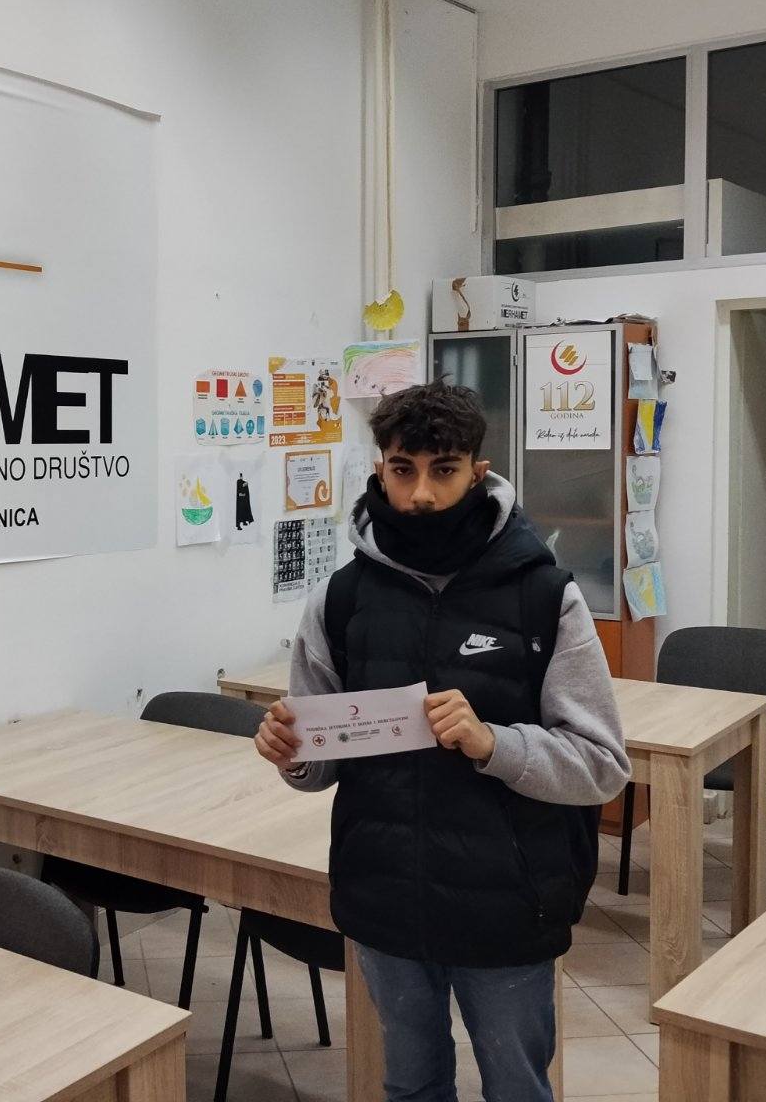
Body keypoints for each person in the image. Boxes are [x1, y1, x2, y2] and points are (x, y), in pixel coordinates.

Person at [253, 381, 630, 1102]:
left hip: (507, 905)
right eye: (403, 470)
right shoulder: (339, 598)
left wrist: (494, 744)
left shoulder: (545, 596)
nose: (420, 493)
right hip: (386, 899)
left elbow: (603, 766)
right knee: (412, 1086)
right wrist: (293, 752)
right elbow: (322, 761)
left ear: (477, 474)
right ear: (380, 470)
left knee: (516, 1090)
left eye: (443, 470)